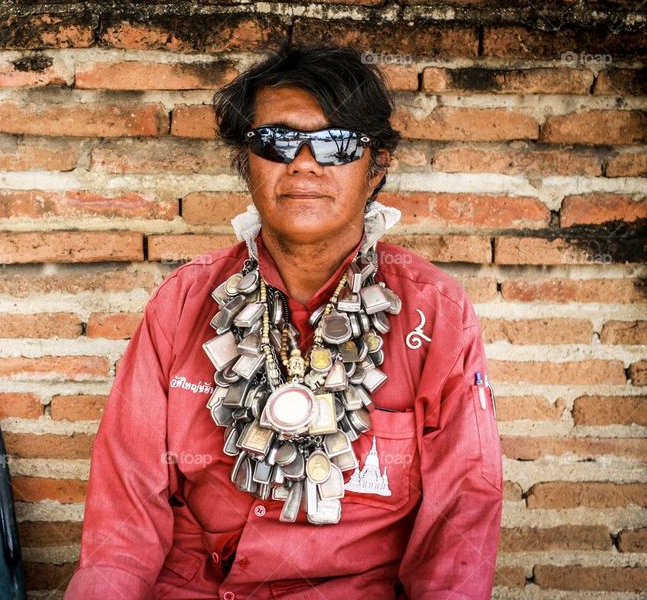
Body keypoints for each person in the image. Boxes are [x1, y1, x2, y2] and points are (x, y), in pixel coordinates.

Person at [64, 43, 503, 600]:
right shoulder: (183, 303)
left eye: (337, 143)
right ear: (246, 161)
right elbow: (125, 509)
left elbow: (462, 515)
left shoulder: (435, 314)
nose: (305, 162)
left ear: (377, 166)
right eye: (276, 140)